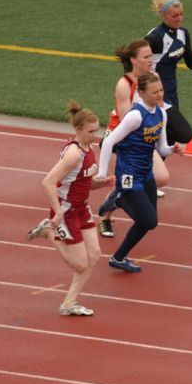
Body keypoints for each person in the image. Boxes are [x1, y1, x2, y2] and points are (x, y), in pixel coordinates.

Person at [26, 101, 115, 316]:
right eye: (91, 132)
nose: (95, 136)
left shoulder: (88, 148)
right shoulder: (73, 154)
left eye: (97, 131)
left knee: (94, 256)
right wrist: (57, 213)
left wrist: (101, 183)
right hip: (66, 212)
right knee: (80, 264)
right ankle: (49, 232)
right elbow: (48, 181)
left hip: (82, 209)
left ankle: (68, 303)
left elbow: (83, 181)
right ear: (78, 129)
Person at [96, 72, 185, 273]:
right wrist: (103, 172)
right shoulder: (135, 116)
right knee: (149, 221)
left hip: (146, 173)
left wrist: (173, 150)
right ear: (142, 93)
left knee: (148, 221)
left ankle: (118, 258)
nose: (160, 95)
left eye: (161, 90)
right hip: (128, 174)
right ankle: (117, 199)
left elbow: (161, 148)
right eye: (155, 92)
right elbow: (109, 141)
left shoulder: (160, 113)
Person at [97, 40, 171, 238]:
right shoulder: (125, 84)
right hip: (122, 139)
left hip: (143, 136)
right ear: (133, 60)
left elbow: (159, 105)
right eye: (146, 57)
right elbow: (125, 123)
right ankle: (106, 215)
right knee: (130, 180)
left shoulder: (153, 77)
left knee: (162, 178)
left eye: (151, 56)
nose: (151, 60)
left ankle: (122, 194)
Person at [145, 0, 192, 147]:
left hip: (171, 91)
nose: (179, 18)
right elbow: (134, 59)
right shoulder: (155, 38)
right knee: (183, 134)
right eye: (174, 16)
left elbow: (191, 64)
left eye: (181, 14)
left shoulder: (183, 34)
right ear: (163, 15)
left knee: (169, 137)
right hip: (156, 91)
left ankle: (151, 165)